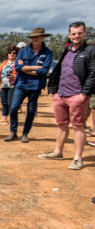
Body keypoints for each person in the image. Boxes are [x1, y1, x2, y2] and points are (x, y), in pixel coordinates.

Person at [38, 22, 95, 170]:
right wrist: (54, 92)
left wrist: (84, 94)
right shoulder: (67, 50)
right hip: (61, 94)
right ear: (69, 35)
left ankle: (78, 158)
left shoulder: (90, 51)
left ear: (84, 34)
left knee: (78, 126)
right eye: (73, 33)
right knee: (61, 124)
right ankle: (58, 152)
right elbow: (58, 71)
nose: (76, 36)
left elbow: (93, 73)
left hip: (77, 95)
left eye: (79, 33)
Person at [4, 28, 53, 143]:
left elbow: (44, 70)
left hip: (35, 86)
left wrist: (26, 68)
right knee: (13, 108)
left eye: (38, 37)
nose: (35, 39)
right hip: (21, 84)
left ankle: (25, 134)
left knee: (31, 111)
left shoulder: (47, 53)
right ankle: (13, 132)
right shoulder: (23, 51)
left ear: (43, 38)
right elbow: (18, 67)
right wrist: (35, 68)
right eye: (33, 37)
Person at [0, 45, 19, 124]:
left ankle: (12, 120)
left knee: (10, 103)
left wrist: (14, 76)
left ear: (16, 54)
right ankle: (4, 118)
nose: (11, 54)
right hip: (4, 86)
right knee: (3, 102)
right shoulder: (4, 63)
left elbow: (21, 75)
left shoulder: (18, 64)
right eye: (10, 52)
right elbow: (0, 75)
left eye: (14, 53)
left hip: (13, 86)